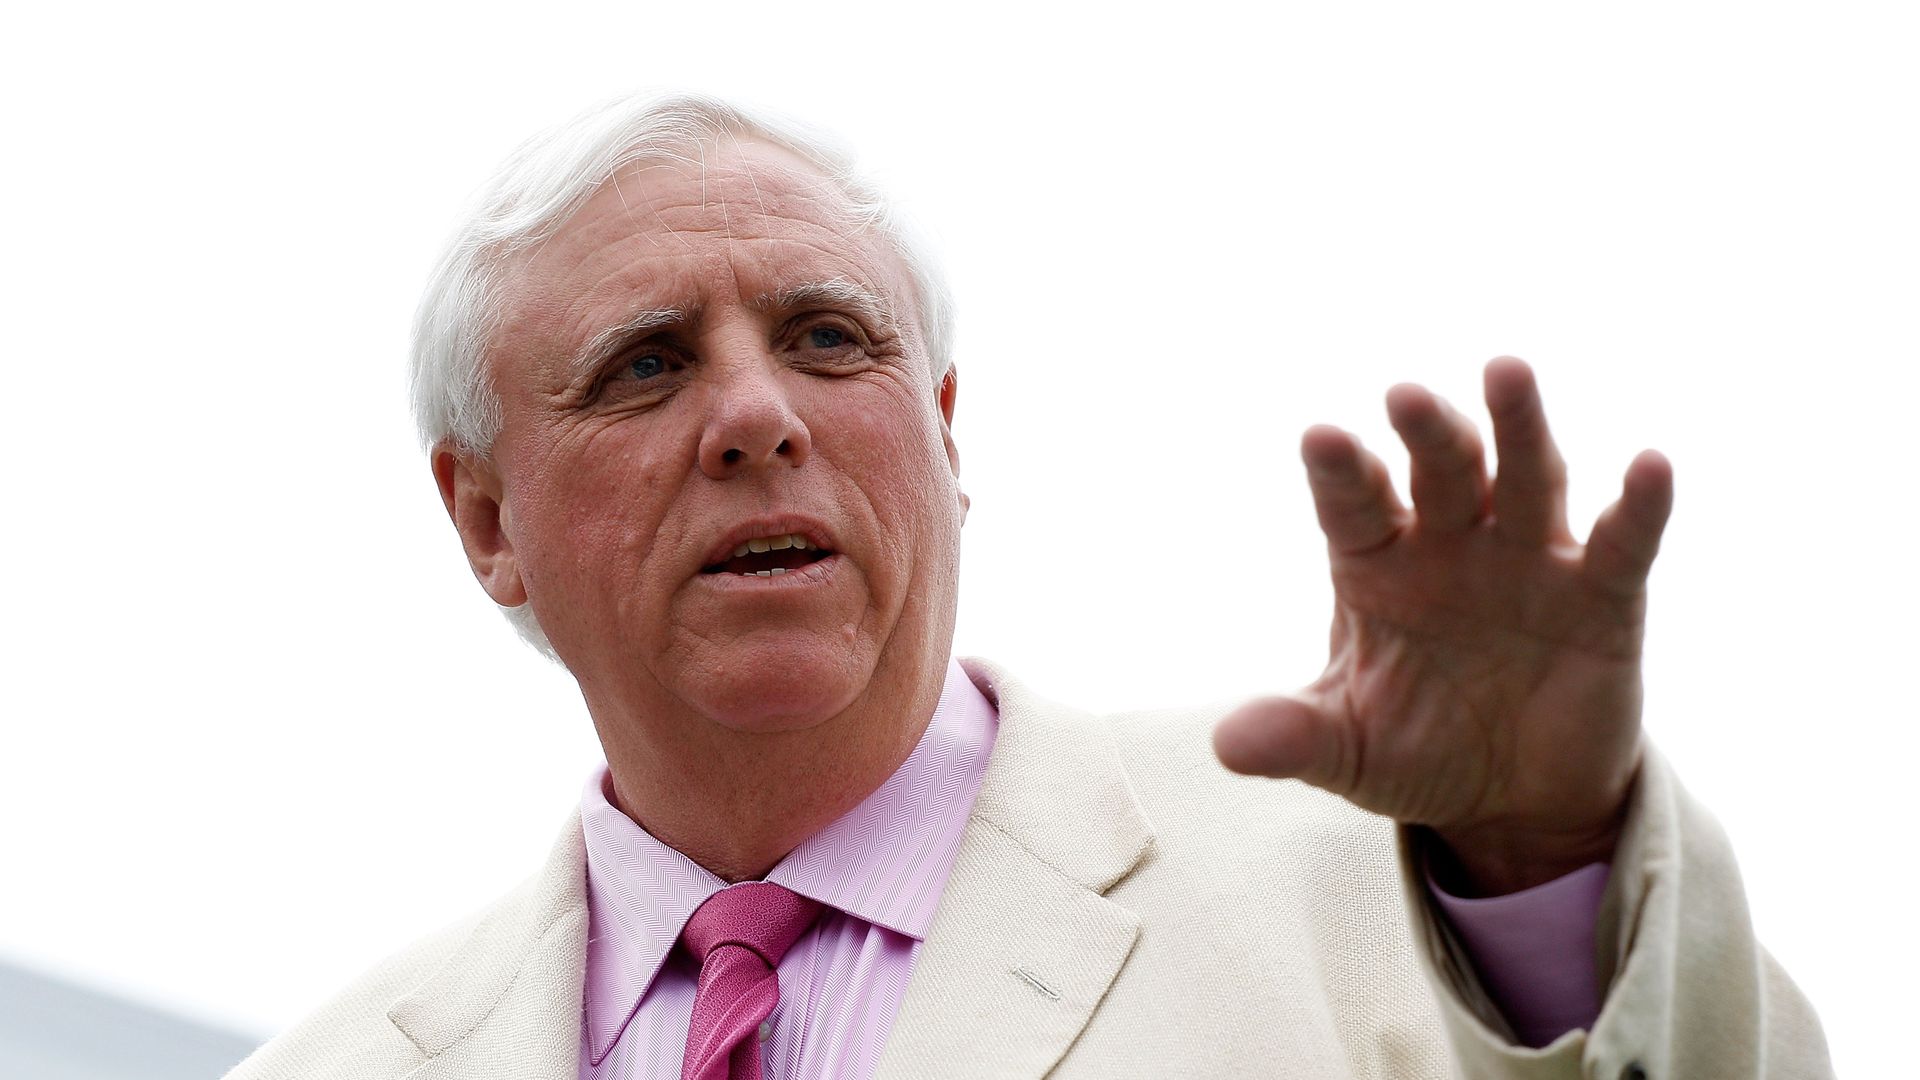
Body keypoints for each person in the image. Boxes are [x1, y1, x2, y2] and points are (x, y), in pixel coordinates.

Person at [227, 90, 1831, 1080]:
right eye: (647, 366)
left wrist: (1552, 865)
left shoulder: (1382, 885)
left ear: (940, 430)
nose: (760, 416)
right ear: (486, 517)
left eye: (829, 338)